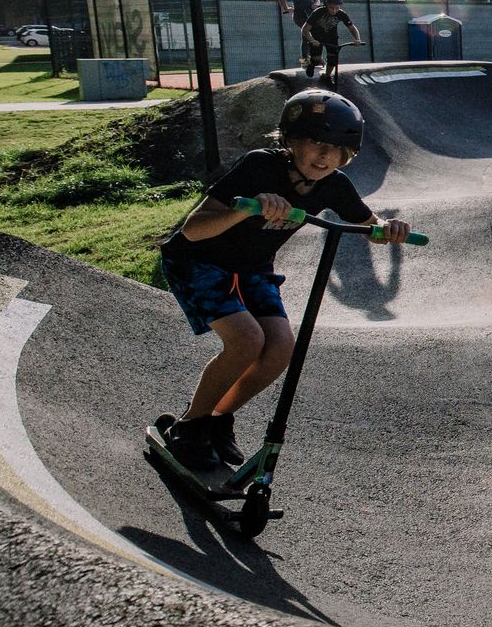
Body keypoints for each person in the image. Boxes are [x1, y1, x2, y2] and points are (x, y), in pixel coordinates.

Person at [154, 91, 410, 474]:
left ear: (348, 154)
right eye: (317, 143)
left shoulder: (334, 185)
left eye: (337, 149)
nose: (325, 156)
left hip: (253, 268)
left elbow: (366, 223)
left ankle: (218, 418)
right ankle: (189, 426)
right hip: (198, 261)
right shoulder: (259, 166)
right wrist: (247, 207)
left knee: (279, 349)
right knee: (246, 340)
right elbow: (193, 231)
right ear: (291, 141)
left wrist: (386, 229)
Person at [299, 0, 363, 85]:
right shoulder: (318, 12)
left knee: (333, 59)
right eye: (331, 8)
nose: (334, 11)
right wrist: (312, 40)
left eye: (337, 8)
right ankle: (312, 63)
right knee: (316, 59)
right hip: (317, 38)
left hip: (332, 38)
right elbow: (305, 29)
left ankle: (327, 76)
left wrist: (357, 39)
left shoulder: (341, 14)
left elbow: (352, 28)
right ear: (326, 5)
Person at [278, 0, 320, 77]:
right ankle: (305, 59)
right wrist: (287, 8)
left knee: (314, 35)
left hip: (310, 15)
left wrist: (316, 4)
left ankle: (314, 57)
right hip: (299, 15)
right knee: (306, 35)